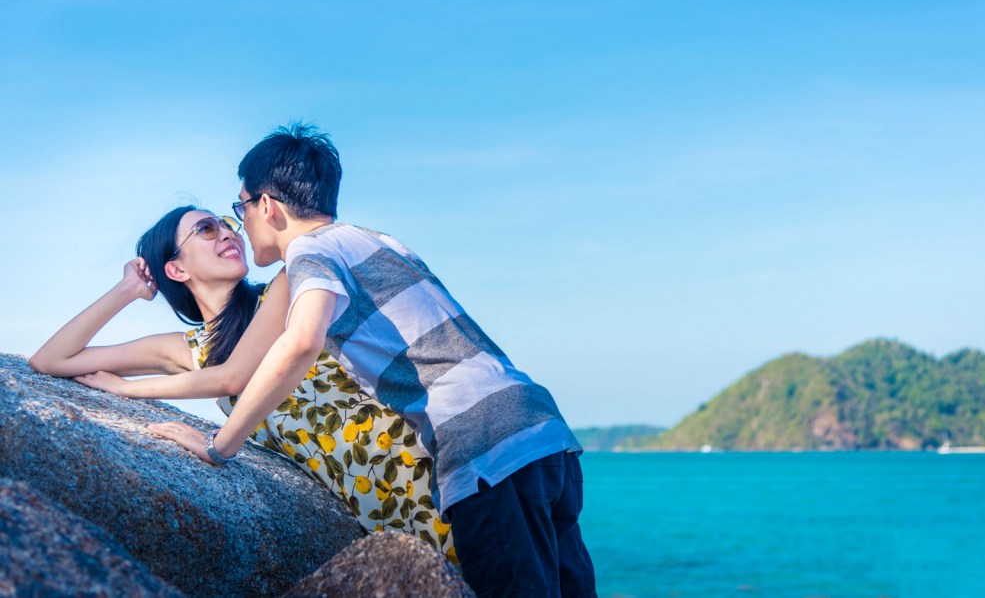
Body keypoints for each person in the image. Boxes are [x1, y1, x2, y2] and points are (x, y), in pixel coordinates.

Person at [153, 124, 596, 597]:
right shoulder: (377, 240)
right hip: (542, 431)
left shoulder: (308, 251)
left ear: (268, 206)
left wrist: (221, 445)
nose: (239, 225)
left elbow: (302, 342)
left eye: (241, 208)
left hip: (481, 444)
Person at [29, 207, 456, 560]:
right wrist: (127, 290)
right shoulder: (190, 348)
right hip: (359, 492)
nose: (228, 234)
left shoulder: (288, 286)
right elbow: (50, 360)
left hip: (408, 461)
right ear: (175, 268)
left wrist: (127, 389)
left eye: (228, 223)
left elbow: (234, 375)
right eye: (206, 229)